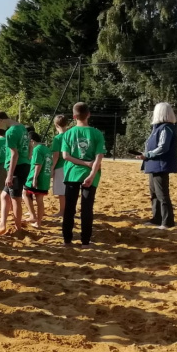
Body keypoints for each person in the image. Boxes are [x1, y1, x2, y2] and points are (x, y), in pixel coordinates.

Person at [62, 103, 106, 246]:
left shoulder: (68, 133)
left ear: (74, 116)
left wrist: (82, 163)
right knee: (87, 208)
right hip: (90, 174)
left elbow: (65, 156)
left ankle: (67, 240)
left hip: (72, 173)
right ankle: (85, 241)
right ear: (89, 115)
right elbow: (99, 157)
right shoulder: (97, 133)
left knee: (69, 208)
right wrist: (91, 173)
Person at [137, 102, 177, 229]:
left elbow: (163, 147)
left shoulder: (166, 128)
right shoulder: (158, 128)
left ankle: (167, 221)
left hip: (160, 165)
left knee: (162, 194)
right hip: (154, 164)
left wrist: (148, 155)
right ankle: (157, 218)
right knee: (154, 193)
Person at [0, 111, 31, 234]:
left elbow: (14, 154)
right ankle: (2, 224)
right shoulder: (22, 127)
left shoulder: (11, 132)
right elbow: (30, 146)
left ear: (1, 120)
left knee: (15, 198)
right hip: (23, 164)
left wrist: (9, 175)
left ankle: (18, 229)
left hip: (16, 167)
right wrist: (27, 158)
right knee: (4, 195)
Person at [23, 132, 52, 229]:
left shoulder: (37, 149)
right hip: (45, 177)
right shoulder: (46, 149)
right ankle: (38, 222)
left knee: (25, 193)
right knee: (40, 199)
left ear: (32, 141)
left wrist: (35, 178)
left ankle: (33, 216)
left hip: (36, 176)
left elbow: (38, 164)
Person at [50, 115, 69, 217]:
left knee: (61, 191)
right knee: (70, 189)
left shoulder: (57, 138)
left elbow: (56, 156)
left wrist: (51, 168)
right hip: (72, 165)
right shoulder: (71, 135)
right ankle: (70, 210)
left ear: (56, 125)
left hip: (61, 165)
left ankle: (62, 211)